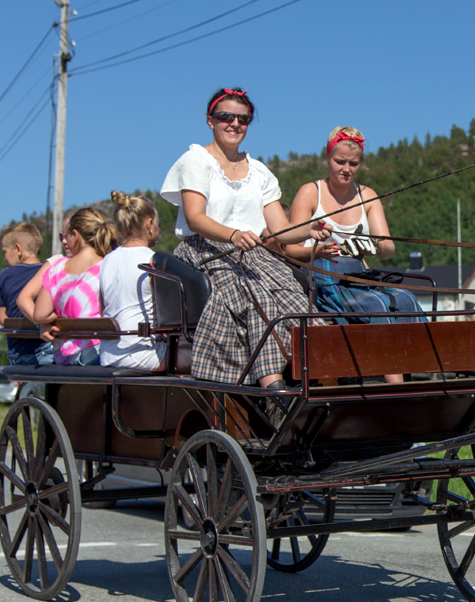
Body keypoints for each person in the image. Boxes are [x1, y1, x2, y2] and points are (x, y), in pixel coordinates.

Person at [160, 87, 327, 388]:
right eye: (226, 116)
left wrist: (308, 231)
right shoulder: (195, 160)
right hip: (206, 251)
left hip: (254, 254)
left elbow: (279, 231)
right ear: (210, 120)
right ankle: (271, 387)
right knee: (256, 296)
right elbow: (196, 218)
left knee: (295, 298)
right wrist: (234, 235)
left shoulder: (260, 172)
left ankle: (316, 379)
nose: (235, 124)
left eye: (243, 119)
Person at [287, 126, 423, 383]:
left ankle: (429, 372)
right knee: (378, 305)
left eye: (353, 163)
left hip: (358, 272)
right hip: (320, 274)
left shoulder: (367, 195)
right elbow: (290, 249)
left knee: (405, 298)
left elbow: (388, 248)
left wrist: (372, 245)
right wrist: (317, 250)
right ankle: (397, 388)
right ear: (327, 159)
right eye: (340, 162)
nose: (346, 169)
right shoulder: (309, 192)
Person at [18, 207, 116, 365]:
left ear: (75, 235)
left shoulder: (56, 268)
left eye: (66, 235)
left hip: (65, 357)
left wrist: (61, 313)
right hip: (95, 350)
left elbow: (40, 314)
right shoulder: (108, 265)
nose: (64, 240)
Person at [100, 191, 167, 371]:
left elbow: (103, 307)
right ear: (150, 224)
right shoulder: (153, 260)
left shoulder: (106, 261)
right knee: (201, 358)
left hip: (108, 353)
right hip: (142, 353)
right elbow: (167, 314)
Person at [0, 222, 52, 365]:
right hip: (48, 349)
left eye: (5, 252)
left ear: (18, 249)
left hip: (19, 353)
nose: (4, 258)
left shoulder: (5, 276)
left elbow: (3, 319)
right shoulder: (52, 271)